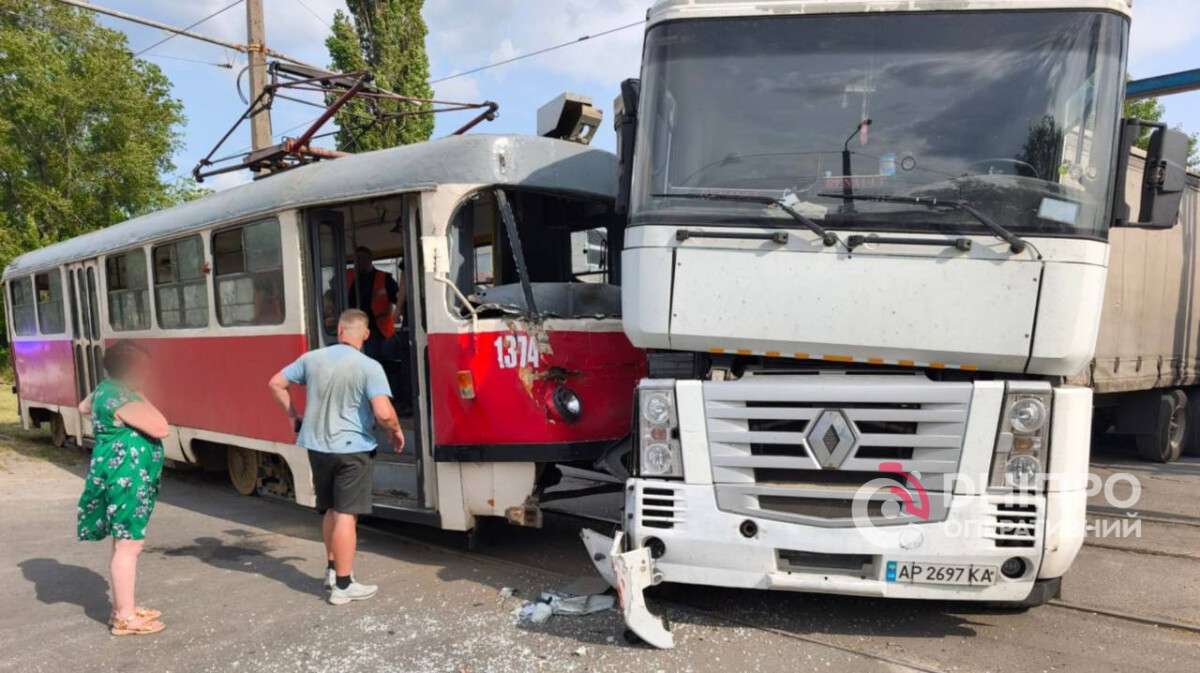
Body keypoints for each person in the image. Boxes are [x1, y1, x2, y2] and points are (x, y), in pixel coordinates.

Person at [267, 309, 405, 606]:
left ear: (340, 330)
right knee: (346, 515)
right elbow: (383, 412)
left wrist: (292, 416)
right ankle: (343, 585)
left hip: (318, 447)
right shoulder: (369, 366)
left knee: (330, 509)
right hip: (351, 449)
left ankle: (331, 570)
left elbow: (275, 382)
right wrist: (395, 431)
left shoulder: (312, 358)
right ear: (365, 334)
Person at [76, 340, 170, 636]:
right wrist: (140, 394)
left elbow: (83, 407)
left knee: (122, 542)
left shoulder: (104, 389)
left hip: (114, 473)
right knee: (129, 545)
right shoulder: (123, 397)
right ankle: (125, 619)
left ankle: (122, 608)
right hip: (126, 478)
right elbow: (161, 426)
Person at [346, 246, 402, 356]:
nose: (360, 262)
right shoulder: (347, 276)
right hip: (352, 327)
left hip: (377, 329)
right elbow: (332, 295)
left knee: (371, 355)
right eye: (357, 259)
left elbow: (399, 299)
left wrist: (398, 313)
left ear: (370, 260)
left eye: (363, 258)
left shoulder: (385, 278)